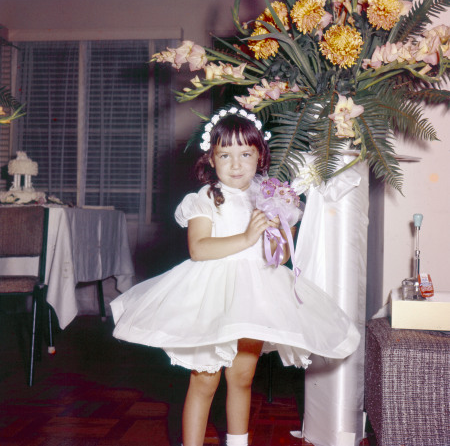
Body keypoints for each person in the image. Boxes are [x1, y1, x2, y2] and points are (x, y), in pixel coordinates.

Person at [111, 107, 360, 446]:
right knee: (204, 381)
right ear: (211, 159)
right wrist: (246, 237)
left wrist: (278, 235)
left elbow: (282, 257)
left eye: (246, 153)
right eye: (225, 155)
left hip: (255, 295)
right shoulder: (206, 198)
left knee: (242, 377)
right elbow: (199, 248)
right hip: (210, 295)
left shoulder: (270, 197)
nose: (236, 163)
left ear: (261, 156)